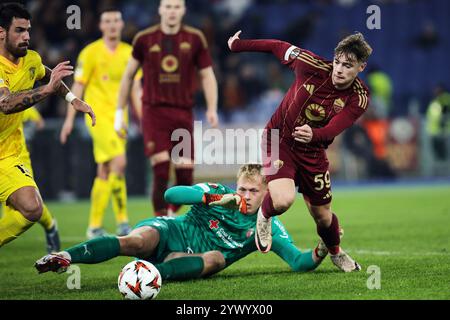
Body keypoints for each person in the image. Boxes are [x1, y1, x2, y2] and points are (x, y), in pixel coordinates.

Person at [228, 30, 373, 272]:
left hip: (313, 151)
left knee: (324, 218)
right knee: (283, 200)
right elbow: (277, 45)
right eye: (337, 62)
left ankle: (336, 252)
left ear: (361, 67)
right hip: (278, 139)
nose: (339, 69)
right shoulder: (310, 64)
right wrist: (238, 46)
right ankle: (264, 217)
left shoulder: (359, 97)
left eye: (348, 66)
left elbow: (336, 127)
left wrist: (314, 135)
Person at [35, 164, 328, 280]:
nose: (246, 196)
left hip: (193, 257)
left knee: (216, 258)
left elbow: (298, 262)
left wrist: (321, 250)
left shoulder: (267, 227)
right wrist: (214, 200)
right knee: (138, 241)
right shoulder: (218, 192)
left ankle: (149, 276)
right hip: (172, 231)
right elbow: (171, 193)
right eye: (242, 189)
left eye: (254, 191)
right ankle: (64, 256)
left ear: (267, 193)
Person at [0, 2, 95, 248]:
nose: (27, 37)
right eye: (19, 30)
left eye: (28, 31)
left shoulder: (31, 59)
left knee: (32, 208)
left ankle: (50, 225)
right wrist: (48, 89)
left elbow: (45, 73)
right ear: (1, 33)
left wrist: (73, 99)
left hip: (7, 153)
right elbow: (6, 103)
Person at [115, 0, 219, 217]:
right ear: (160, 9)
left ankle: (169, 214)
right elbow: (127, 76)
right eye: (168, 6)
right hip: (154, 112)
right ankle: (160, 220)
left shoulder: (194, 38)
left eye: (176, 7)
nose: (172, 11)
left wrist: (212, 108)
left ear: (183, 10)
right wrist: (119, 112)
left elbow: (207, 74)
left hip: (182, 113)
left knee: (185, 176)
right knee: (161, 168)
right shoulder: (144, 39)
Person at [59, 8, 142, 239]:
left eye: (116, 20)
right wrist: (69, 120)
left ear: (122, 24)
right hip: (97, 118)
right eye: (108, 21)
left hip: (119, 117)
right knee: (120, 162)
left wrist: (143, 118)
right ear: (101, 25)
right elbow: (77, 87)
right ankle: (123, 222)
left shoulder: (130, 53)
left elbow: (136, 89)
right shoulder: (90, 53)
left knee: (105, 170)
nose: (113, 24)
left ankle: (94, 225)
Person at [426, 84, 450, 161]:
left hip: (444, 130)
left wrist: (443, 124)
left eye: (437, 89)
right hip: (435, 131)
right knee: (437, 153)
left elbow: (445, 114)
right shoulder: (435, 101)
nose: (435, 91)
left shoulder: (445, 99)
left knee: (445, 152)